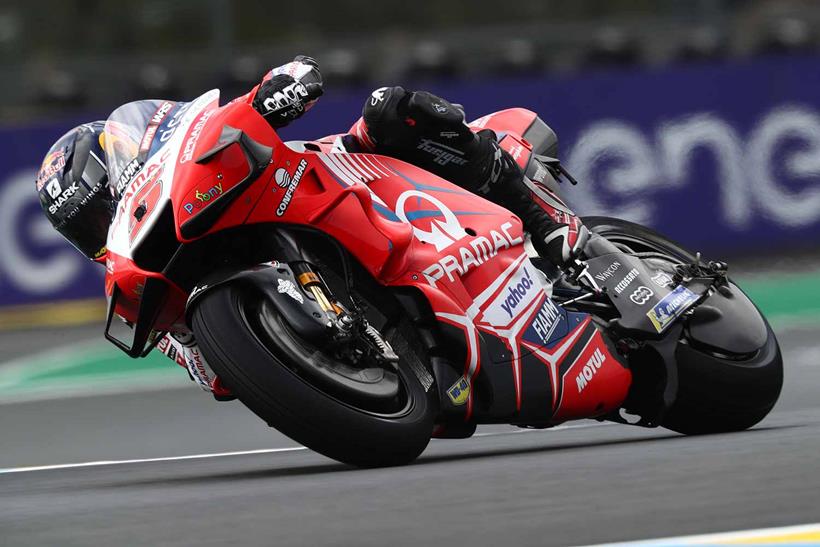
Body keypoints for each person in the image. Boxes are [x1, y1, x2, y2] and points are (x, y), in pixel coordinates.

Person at [35, 55, 585, 397]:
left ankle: (545, 221)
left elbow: (295, 80)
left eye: (101, 209)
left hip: (342, 178)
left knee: (389, 110)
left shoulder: (181, 155)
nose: (105, 227)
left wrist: (284, 88)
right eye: (88, 228)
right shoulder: (152, 291)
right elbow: (217, 377)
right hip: (405, 373)